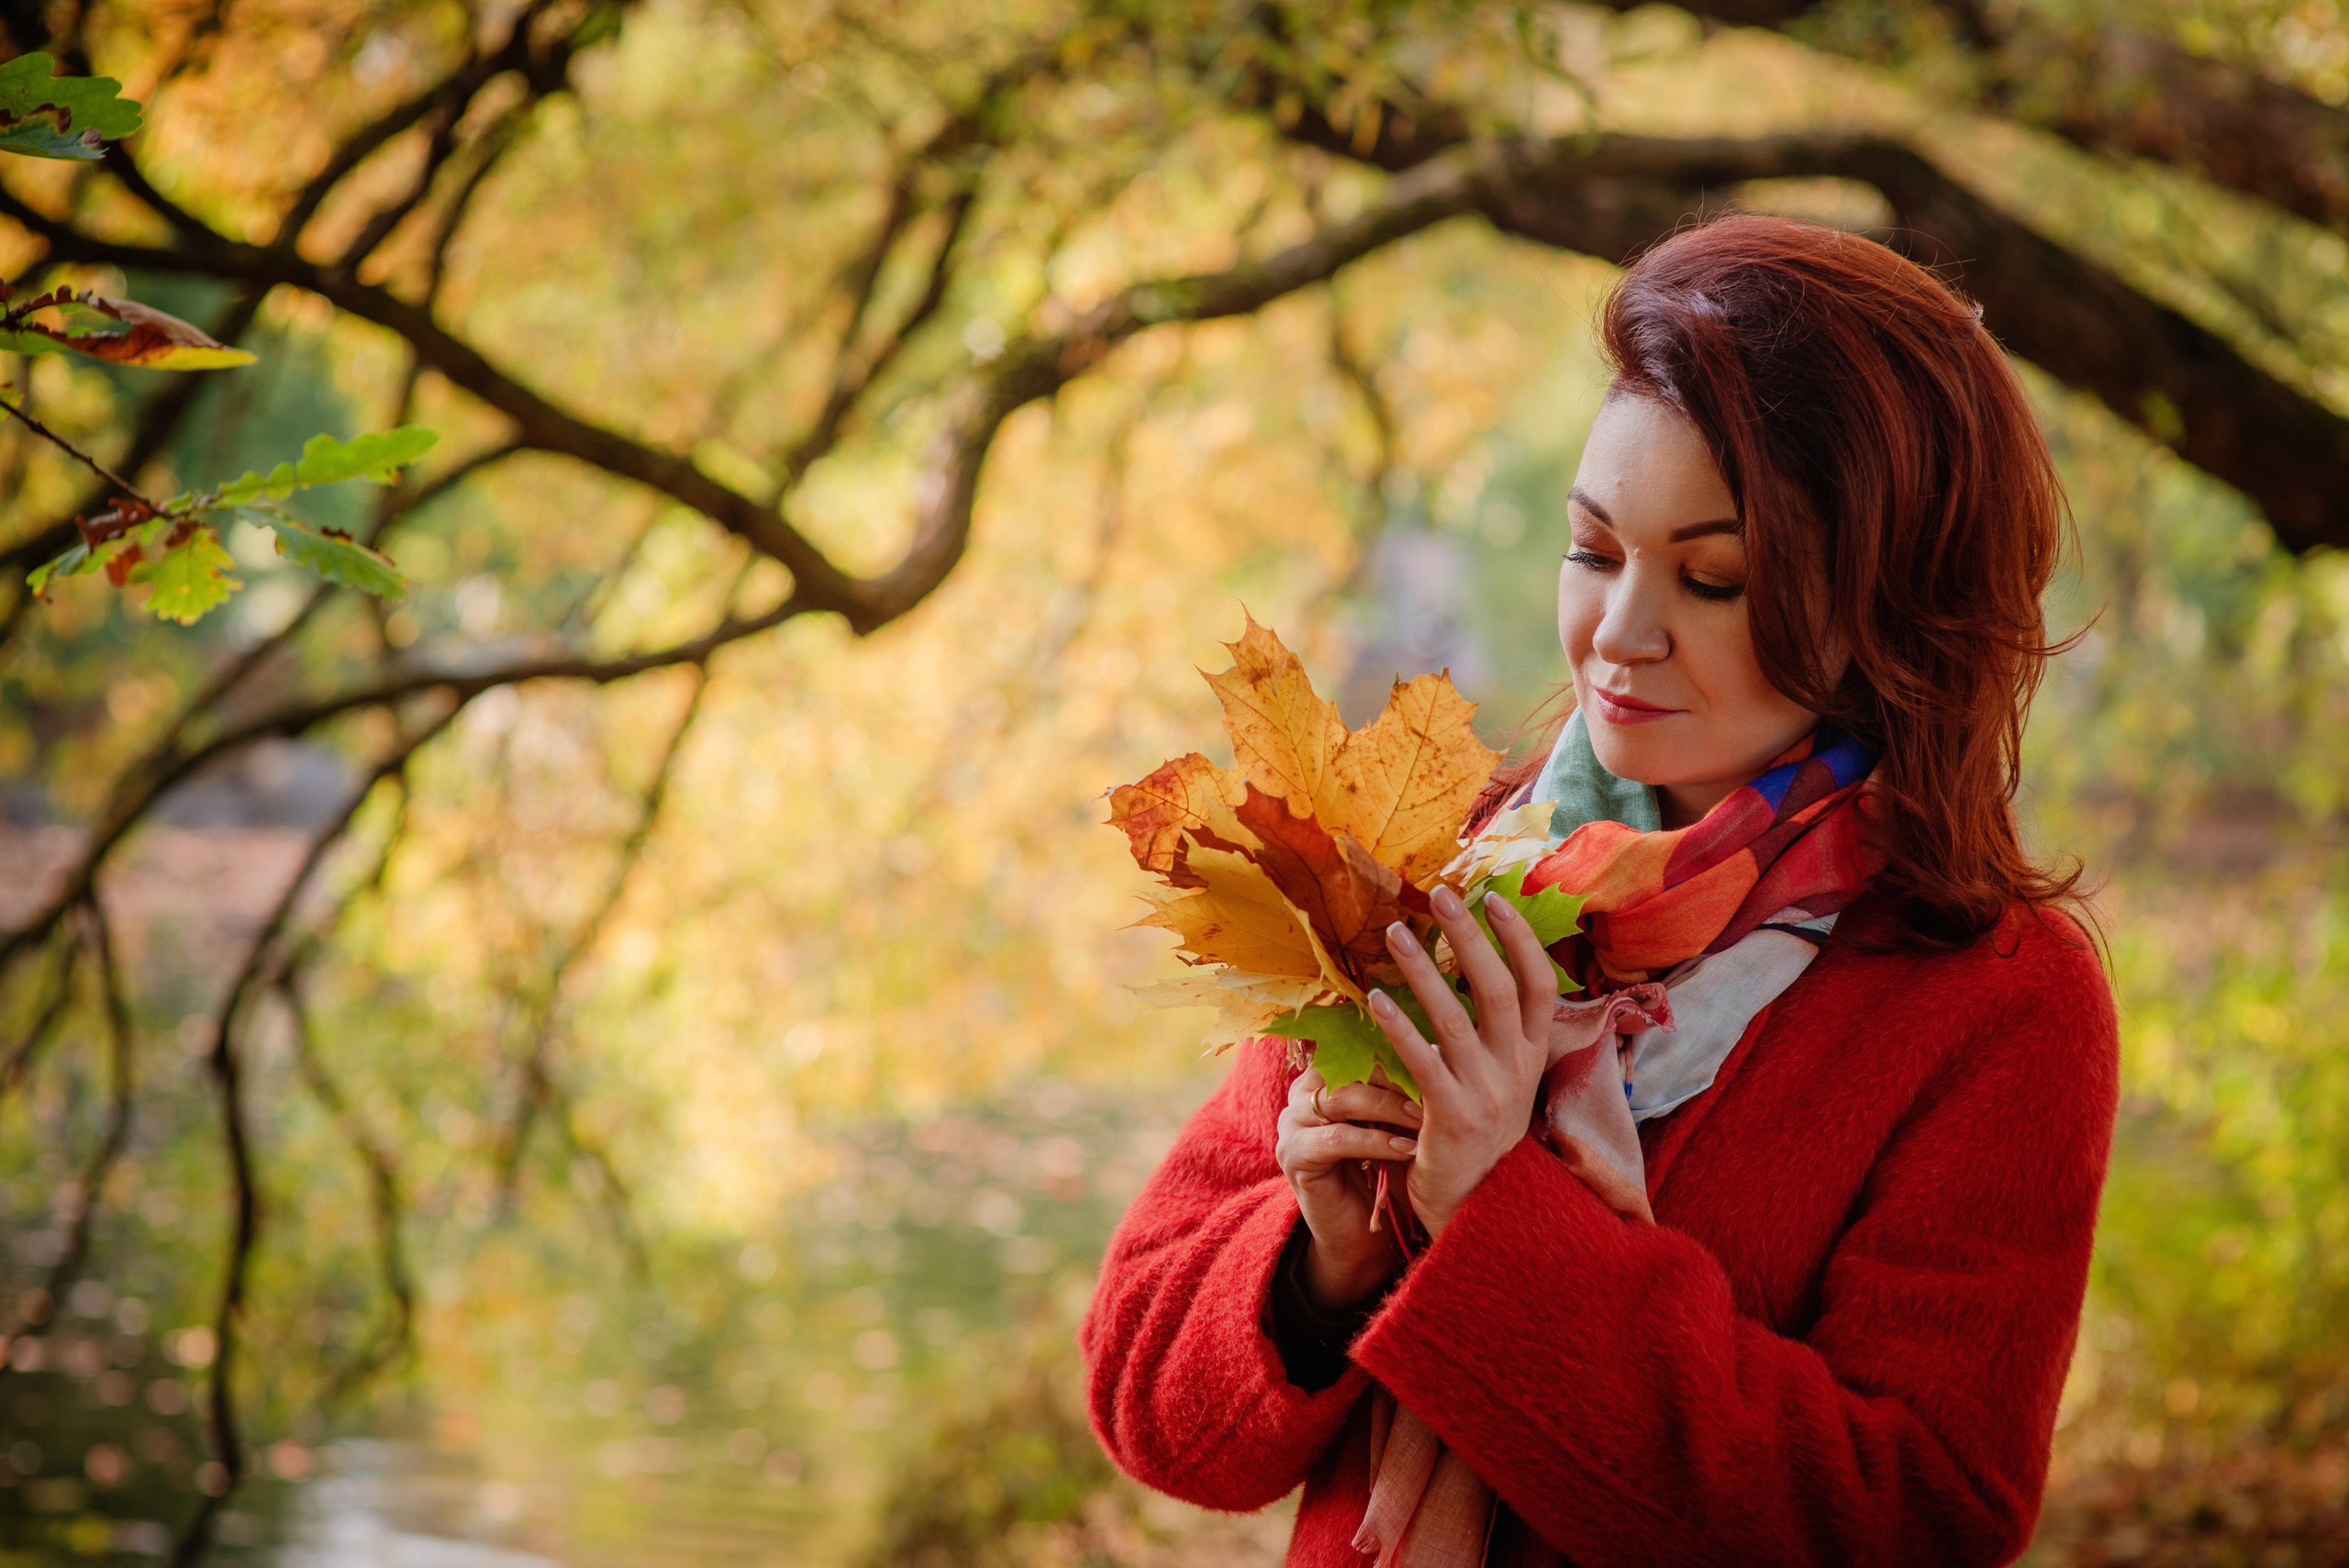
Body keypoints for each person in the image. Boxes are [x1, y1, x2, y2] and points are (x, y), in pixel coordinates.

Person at [1080, 213, 2120, 1568]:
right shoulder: (1430, 869)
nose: (1621, 634)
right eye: (1593, 550)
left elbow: (1912, 1515)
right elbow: (1145, 1403)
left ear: (1886, 600)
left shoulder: (1995, 1000)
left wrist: (1498, 1224)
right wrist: (1318, 1261)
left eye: (1714, 577)